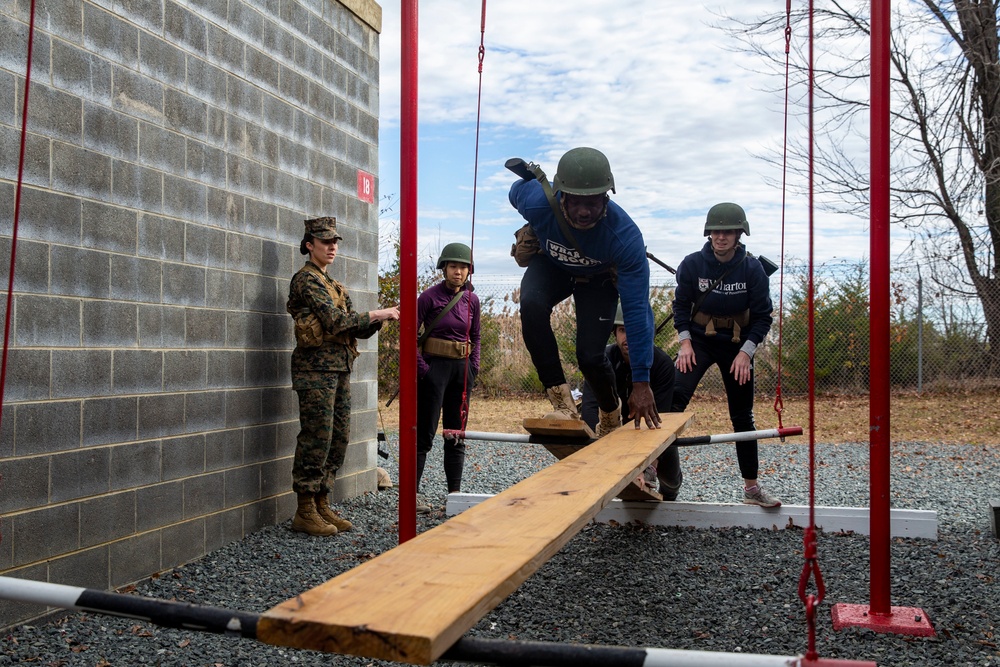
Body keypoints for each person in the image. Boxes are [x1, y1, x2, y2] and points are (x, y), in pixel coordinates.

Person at [509, 147, 660, 437]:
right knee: (530, 304)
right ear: (561, 194)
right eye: (575, 202)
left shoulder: (625, 238)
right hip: (553, 264)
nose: (583, 212)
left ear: (607, 197)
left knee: (590, 356)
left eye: (592, 203)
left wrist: (642, 382)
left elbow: (637, 311)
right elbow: (516, 190)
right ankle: (562, 403)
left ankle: (610, 414)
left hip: (598, 277)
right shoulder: (538, 201)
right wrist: (527, 177)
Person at [286, 216, 400, 536]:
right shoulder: (306, 280)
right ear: (310, 245)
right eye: (325, 242)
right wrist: (377, 313)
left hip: (338, 368)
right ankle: (305, 510)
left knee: (337, 439)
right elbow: (335, 322)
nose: (332, 247)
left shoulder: (334, 284)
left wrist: (379, 319)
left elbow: (352, 325)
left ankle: (322, 503)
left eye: (335, 242)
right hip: (314, 370)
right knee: (316, 439)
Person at [670, 203, 781, 507]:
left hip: (737, 345)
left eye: (728, 232)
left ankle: (752, 489)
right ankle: (652, 470)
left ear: (738, 234)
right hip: (699, 341)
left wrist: (747, 352)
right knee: (672, 401)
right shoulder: (692, 264)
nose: (721, 237)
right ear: (709, 234)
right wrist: (685, 343)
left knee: (743, 416)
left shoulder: (752, 268)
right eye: (716, 231)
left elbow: (763, 317)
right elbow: (680, 307)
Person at [580, 304, 682, 499]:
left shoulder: (662, 365)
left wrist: (646, 467)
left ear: (648, 332)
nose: (628, 337)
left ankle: (669, 496)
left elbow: (659, 419)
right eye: (622, 330)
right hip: (613, 431)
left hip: (650, 430)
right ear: (615, 333)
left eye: (635, 330)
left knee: (671, 478)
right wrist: (598, 455)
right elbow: (590, 408)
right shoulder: (602, 361)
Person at [415, 242, 481, 512]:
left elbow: (475, 336)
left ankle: (455, 493)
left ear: (469, 271)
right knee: (424, 433)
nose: (458, 271)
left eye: (463, 267)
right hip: (435, 370)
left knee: (456, 433)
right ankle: (412, 495)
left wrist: (473, 368)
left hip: (461, 371)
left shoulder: (472, 300)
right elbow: (408, 336)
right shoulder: (428, 297)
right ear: (444, 268)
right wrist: (424, 371)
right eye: (453, 266)